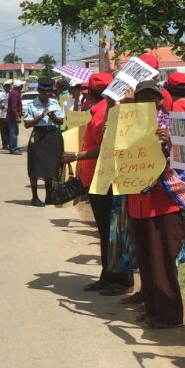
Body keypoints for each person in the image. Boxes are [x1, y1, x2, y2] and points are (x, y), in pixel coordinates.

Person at [124, 81, 185, 329]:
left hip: (164, 202)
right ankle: (152, 309)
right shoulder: (129, 125)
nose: (147, 102)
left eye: (152, 97)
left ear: (160, 99)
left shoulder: (174, 123)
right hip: (138, 201)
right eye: (142, 98)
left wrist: (171, 141)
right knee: (146, 259)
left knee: (162, 260)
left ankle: (170, 315)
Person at [63, 72, 131, 293]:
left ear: (91, 93)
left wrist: (77, 156)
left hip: (105, 179)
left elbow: (107, 147)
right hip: (97, 179)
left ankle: (118, 278)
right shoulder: (100, 110)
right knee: (105, 230)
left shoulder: (104, 112)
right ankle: (107, 274)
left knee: (110, 230)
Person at [24, 78, 65, 206]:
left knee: (50, 166)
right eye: (45, 93)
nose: (47, 95)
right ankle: (35, 197)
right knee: (35, 165)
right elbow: (27, 124)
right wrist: (40, 117)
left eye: (49, 93)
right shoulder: (32, 105)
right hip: (38, 135)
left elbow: (61, 121)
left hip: (51, 135)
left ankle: (49, 196)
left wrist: (53, 117)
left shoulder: (54, 103)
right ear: (39, 92)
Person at [5, 81, 23, 154]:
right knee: (14, 132)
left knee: (13, 132)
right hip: (13, 117)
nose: (22, 86)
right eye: (21, 85)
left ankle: (13, 146)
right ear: (18, 86)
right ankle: (13, 148)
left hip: (12, 116)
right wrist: (17, 117)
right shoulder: (15, 94)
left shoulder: (14, 92)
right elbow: (14, 107)